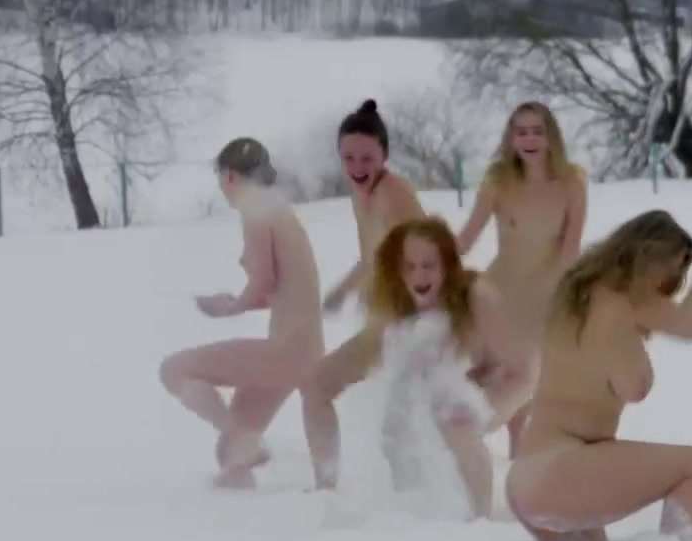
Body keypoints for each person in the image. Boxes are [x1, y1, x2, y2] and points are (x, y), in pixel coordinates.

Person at [505, 196, 692, 541]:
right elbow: (673, 344)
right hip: (561, 475)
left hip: (527, 480)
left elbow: (683, 327)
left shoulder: (577, 292)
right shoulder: (623, 304)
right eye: (673, 271)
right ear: (648, 260)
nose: (673, 284)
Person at [159, 138, 323, 489]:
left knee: (173, 370)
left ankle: (243, 438)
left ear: (230, 175)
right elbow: (282, 290)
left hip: (285, 351)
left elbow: (263, 281)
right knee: (230, 456)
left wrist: (229, 307)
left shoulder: (256, 208)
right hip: (305, 351)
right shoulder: (280, 211)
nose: (222, 189)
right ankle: (245, 500)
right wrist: (239, 301)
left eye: (220, 179)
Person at [366, 218, 538, 519]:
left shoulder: (476, 294)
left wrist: (483, 397)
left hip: (516, 378)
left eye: (428, 265)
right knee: (399, 420)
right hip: (471, 378)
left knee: (456, 419)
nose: (418, 275)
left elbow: (523, 367)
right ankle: (412, 505)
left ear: (447, 265)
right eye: (409, 266)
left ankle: (479, 516)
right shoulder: (402, 301)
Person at [300, 100, 427, 490]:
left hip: (417, 325)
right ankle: (326, 487)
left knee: (400, 428)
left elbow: (433, 261)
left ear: (384, 156)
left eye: (367, 158)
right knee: (316, 386)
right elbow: (373, 256)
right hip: (387, 324)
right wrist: (343, 291)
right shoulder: (362, 195)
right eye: (348, 158)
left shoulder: (394, 193)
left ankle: (428, 505)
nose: (357, 167)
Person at [456, 101, 588, 458]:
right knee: (481, 370)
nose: (529, 139)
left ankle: (513, 449)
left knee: (526, 377)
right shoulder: (498, 181)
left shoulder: (572, 183)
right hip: (499, 291)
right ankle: (456, 436)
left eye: (537, 132)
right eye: (521, 132)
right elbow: (466, 238)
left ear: (551, 137)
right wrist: (424, 260)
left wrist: (571, 301)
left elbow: (570, 251)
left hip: (544, 295)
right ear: (511, 138)